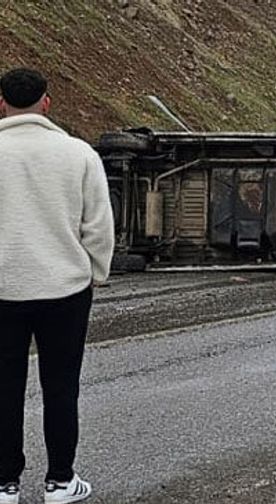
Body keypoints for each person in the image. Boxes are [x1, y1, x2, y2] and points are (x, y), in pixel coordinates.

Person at [0, 68, 114, 504]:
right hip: (64, 289)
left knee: (4, 388)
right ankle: (61, 481)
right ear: (46, 103)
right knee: (61, 386)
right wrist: (96, 272)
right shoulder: (78, 154)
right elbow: (98, 224)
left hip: (3, 290)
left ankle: (5, 483)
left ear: (2, 103)